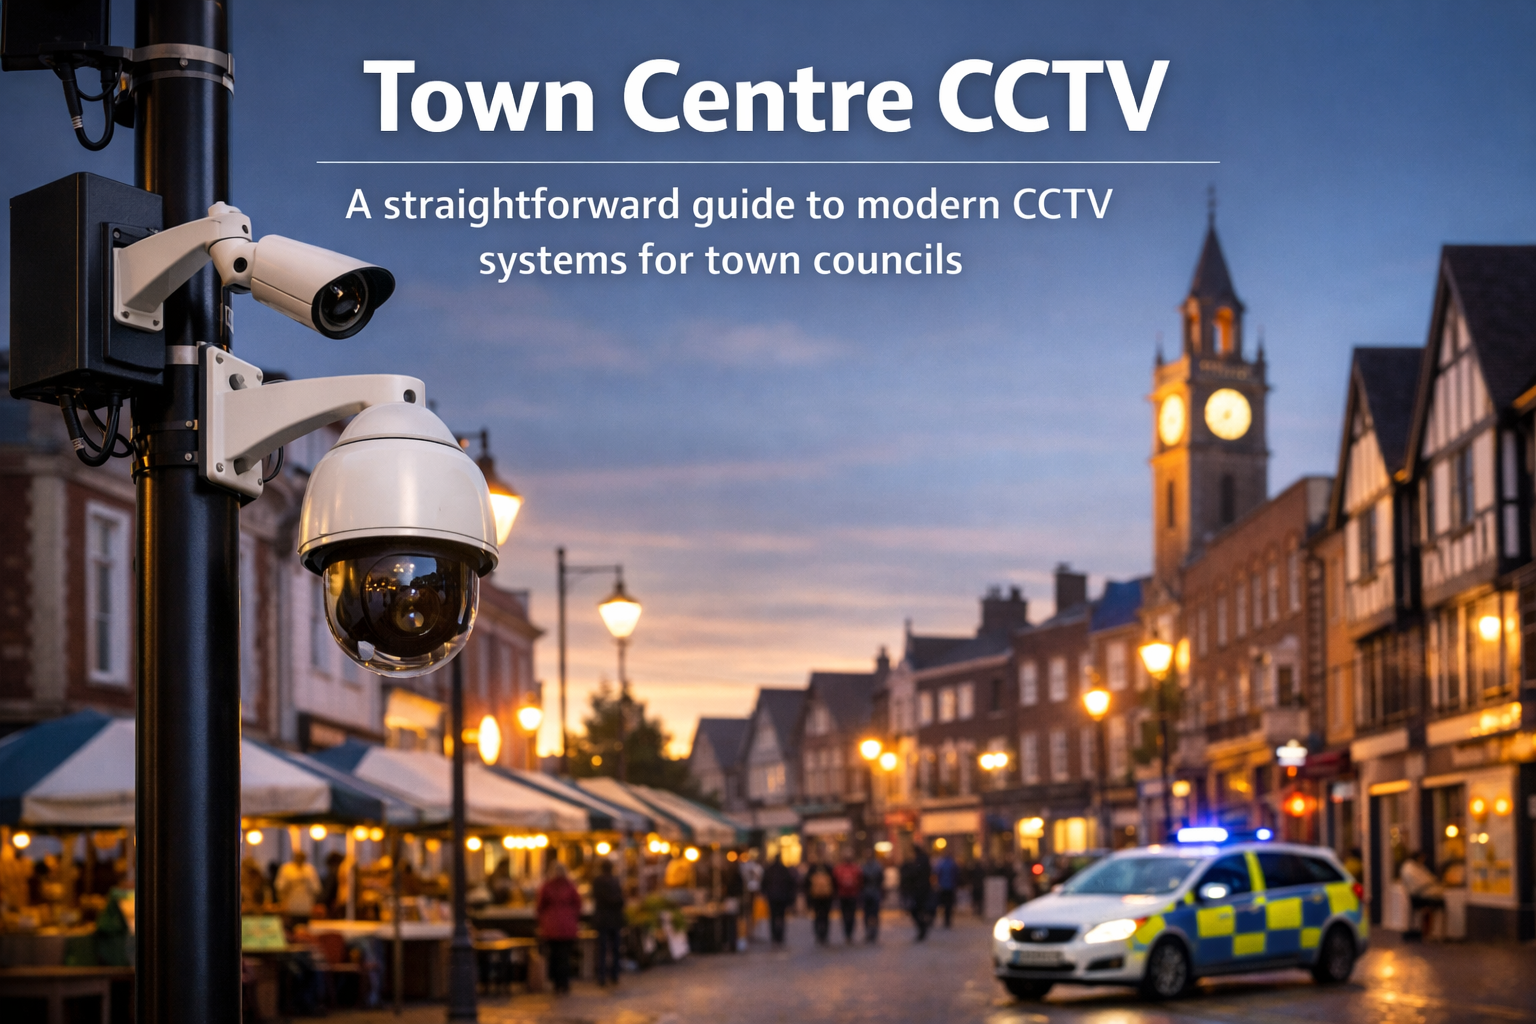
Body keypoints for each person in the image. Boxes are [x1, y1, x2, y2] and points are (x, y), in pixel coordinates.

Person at [536, 861, 582, 994]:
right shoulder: (570, 886)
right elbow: (578, 904)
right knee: (565, 956)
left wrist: (542, 921)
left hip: (551, 926)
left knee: (554, 955)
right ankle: (565, 983)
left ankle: (556, 984)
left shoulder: (547, 886)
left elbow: (540, 906)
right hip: (567, 925)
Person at [591, 859, 626, 987]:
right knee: (614, 948)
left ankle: (602, 976)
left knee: (603, 948)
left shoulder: (597, 881)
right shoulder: (614, 881)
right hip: (613, 919)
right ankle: (614, 974)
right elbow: (620, 900)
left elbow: (595, 897)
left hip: (602, 919)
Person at [1399, 850, 1444, 940]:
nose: (1423, 861)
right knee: (1437, 906)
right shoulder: (1410, 868)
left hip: (1420, 895)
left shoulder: (1414, 867)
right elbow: (1422, 882)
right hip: (1419, 897)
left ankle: (1432, 932)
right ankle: (1431, 933)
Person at [275, 850, 321, 926]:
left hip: (305, 906)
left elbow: (316, 888)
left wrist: (306, 881)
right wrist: (290, 882)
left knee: (304, 927)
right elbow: (279, 886)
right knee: (291, 926)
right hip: (290, 905)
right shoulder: (286, 869)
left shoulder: (310, 870)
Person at [760, 854, 797, 947]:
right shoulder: (784, 870)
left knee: (773, 917)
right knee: (781, 917)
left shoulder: (769, 869)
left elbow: (763, 883)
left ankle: (774, 935)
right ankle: (779, 935)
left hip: (772, 897)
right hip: (782, 898)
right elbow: (791, 884)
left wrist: (765, 893)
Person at [900, 846, 933, 941]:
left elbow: (914, 874)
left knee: (915, 910)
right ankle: (923, 927)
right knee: (920, 910)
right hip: (923, 889)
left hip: (919, 890)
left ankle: (922, 928)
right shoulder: (924, 861)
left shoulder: (918, 862)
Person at [804, 854, 836, 945]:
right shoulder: (828, 868)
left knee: (819, 916)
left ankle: (820, 935)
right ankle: (823, 935)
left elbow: (806, 883)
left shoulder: (813, 868)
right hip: (824, 896)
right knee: (824, 916)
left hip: (818, 896)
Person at [832, 847, 862, 944]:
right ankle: (848, 934)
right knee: (848, 915)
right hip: (846, 895)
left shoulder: (841, 868)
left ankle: (848, 934)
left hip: (848, 895)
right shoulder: (854, 868)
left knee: (848, 915)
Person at [859, 849, 884, 942]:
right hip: (867, 893)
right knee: (867, 914)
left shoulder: (875, 866)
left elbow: (881, 879)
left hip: (873, 893)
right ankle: (869, 932)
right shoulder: (864, 866)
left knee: (874, 914)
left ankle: (873, 932)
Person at [739, 850, 764, 943]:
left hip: (753, 892)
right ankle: (749, 932)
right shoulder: (752, 867)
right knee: (748, 914)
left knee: (754, 915)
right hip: (749, 892)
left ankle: (752, 932)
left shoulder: (754, 868)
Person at [933, 845, 959, 928]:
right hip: (951, 886)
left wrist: (938, 884)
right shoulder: (952, 863)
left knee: (943, 904)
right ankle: (948, 921)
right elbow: (956, 875)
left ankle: (944, 920)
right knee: (949, 905)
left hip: (943, 886)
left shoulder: (941, 863)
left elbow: (937, 873)